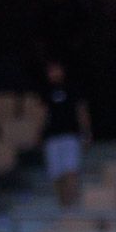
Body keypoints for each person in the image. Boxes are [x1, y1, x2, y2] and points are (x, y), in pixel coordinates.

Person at [40, 60, 91, 208]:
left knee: (70, 171)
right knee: (56, 174)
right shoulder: (46, 91)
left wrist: (86, 132)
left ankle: (72, 206)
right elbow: (43, 114)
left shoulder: (72, 88)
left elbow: (81, 111)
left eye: (56, 69)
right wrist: (39, 133)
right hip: (52, 138)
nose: (54, 73)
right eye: (51, 70)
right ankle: (62, 205)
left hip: (70, 136)